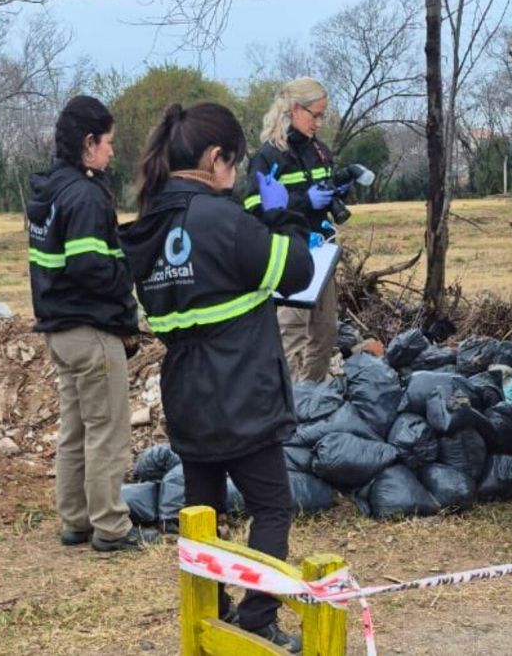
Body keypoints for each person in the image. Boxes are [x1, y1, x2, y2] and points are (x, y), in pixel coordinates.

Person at [119, 102, 314, 652]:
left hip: (187, 390)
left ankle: (210, 611)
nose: (235, 175)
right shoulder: (222, 219)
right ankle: (256, 619)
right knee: (272, 506)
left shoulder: (151, 224)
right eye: (234, 163)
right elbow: (297, 270)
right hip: (242, 390)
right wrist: (281, 215)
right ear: (214, 158)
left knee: (201, 513)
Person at [26, 95, 154, 552]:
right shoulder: (84, 195)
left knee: (75, 429)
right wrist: (130, 278)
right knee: (108, 431)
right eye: (109, 143)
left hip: (59, 331)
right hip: (91, 331)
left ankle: (75, 519)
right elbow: (91, 269)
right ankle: (111, 528)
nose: (112, 152)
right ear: (88, 142)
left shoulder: (51, 190)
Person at [243, 77, 339, 382]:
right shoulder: (269, 156)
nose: (320, 123)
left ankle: (313, 398)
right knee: (293, 334)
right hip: (288, 254)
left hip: (322, 252)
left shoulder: (319, 151)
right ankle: (292, 406)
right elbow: (255, 211)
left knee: (325, 332)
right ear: (295, 109)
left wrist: (338, 193)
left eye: (323, 115)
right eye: (316, 115)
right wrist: (303, 201)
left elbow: (326, 185)